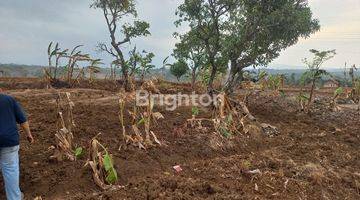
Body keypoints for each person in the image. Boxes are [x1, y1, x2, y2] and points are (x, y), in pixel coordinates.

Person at [0, 88, 34, 200]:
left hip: (8, 141)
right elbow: (23, 120)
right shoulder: (9, 100)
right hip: (9, 141)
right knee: (10, 170)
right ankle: (14, 197)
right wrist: (29, 134)